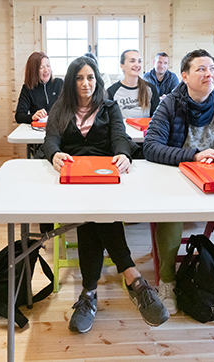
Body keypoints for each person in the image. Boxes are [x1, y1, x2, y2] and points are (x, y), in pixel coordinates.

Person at [43, 56, 168, 333]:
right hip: (73, 179)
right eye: (79, 78)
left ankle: (88, 294)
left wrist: (123, 153)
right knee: (97, 217)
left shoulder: (109, 107)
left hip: (106, 178)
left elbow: (119, 136)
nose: (85, 83)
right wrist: (54, 154)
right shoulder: (60, 109)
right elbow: (50, 138)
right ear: (72, 81)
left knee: (93, 220)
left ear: (97, 80)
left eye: (90, 78)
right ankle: (134, 278)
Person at [143, 49, 214, 315]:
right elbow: (151, 146)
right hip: (180, 175)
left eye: (212, 69)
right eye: (201, 69)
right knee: (170, 215)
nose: (209, 74)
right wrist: (194, 156)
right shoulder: (169, 104)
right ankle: (168, 281)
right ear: (184, 76)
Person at [107, 50, 159, 118]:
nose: (137, 65)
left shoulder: (150, 88)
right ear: (122, 66)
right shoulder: (111, 92)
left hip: (146, 128)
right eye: (132, 61)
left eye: (139, 61)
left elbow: (157, 118)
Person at [15, 51, 63, 123]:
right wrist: (32, 117)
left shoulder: (60, 83)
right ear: (34, 70)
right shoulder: (28, 88)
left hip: (59, 128)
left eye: (48, 65)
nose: (46, 70)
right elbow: (19, 116)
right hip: (38, 129)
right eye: (41, 67)